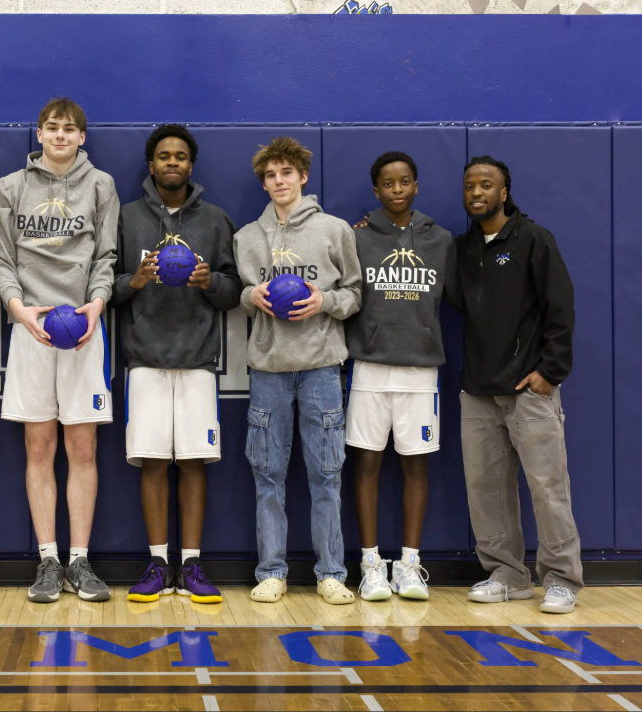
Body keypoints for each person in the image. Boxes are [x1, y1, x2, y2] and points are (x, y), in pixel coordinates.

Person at [0, 97, 118, 603]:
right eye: (52, 128)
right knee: (39, 448)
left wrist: (96, 306)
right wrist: (19, 312)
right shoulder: (10, 187)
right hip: (31, 329)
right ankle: (48, 559)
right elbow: (4, 258)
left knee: (82, 449)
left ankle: (80, 561)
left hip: (83, 329)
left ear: (82, 137)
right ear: (39, 134)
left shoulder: (101, 184)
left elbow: (106, 255)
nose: (61, 135)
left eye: (70, 129)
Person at [447, 155, 582, 614]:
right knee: (486, 491)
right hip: (478, 391)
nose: (477, 192)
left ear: (504, 192)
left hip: (530, 391)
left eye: (486, 185)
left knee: (548, 487)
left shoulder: (534, 240)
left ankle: (562, 578)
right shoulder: (462, 249)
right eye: (470, 186)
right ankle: (508, 574)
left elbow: (561, 311)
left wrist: (550, 373)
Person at [113, 125, 241, 604]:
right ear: (151, 165)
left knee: (192, 463)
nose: (172, 163)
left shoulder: (214, 220)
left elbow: (232, 292)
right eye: (164, 156)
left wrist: (210, 282)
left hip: (197, 361)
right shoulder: (126, 218)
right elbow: (108, 284)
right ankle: (157, 563)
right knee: (151, 462)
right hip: (144, 359)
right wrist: (137, 281)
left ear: (191, 165)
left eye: (181, 156)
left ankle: (190, 564)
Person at [234, 136, 362, 605]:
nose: (279, 181)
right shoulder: (247, 236)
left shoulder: (334, 230)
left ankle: (331, 572)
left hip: (322, 368)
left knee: (326, 473)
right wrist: (253, 297)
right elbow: (241, 293)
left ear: (303, 176)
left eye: (286, 173)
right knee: (267, 473)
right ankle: (271, 571)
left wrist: (323, 301)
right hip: (268, 368)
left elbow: (354, 295)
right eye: (270, 175)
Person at [345, 151, 453, 602]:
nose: (396, 190)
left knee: (416, 465)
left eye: (404, 182)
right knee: (366, 464)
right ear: (376, 190)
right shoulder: (358, 238)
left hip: (420, 370)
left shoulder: (440, 239)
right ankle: (371, 564)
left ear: (415, 185)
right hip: (369, 367)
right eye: (388, 184)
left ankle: (409, 564)